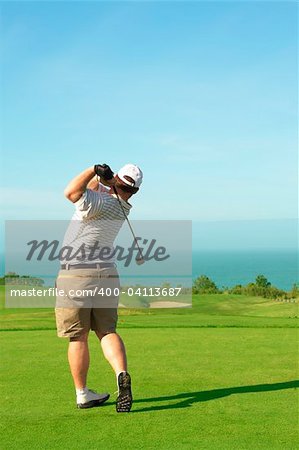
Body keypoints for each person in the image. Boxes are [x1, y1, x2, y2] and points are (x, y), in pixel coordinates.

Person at [55, 163, 143, 412]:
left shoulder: (98, 202)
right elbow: (97, 191)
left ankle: (83, 394)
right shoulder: (123, 206)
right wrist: (105, 180)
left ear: (117, 180)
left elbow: (71, 192)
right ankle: (121, 373)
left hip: (77, 274)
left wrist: (93, 170)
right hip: (107, 274)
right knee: (106, 331)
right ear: (134, 190)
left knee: (78, 336)